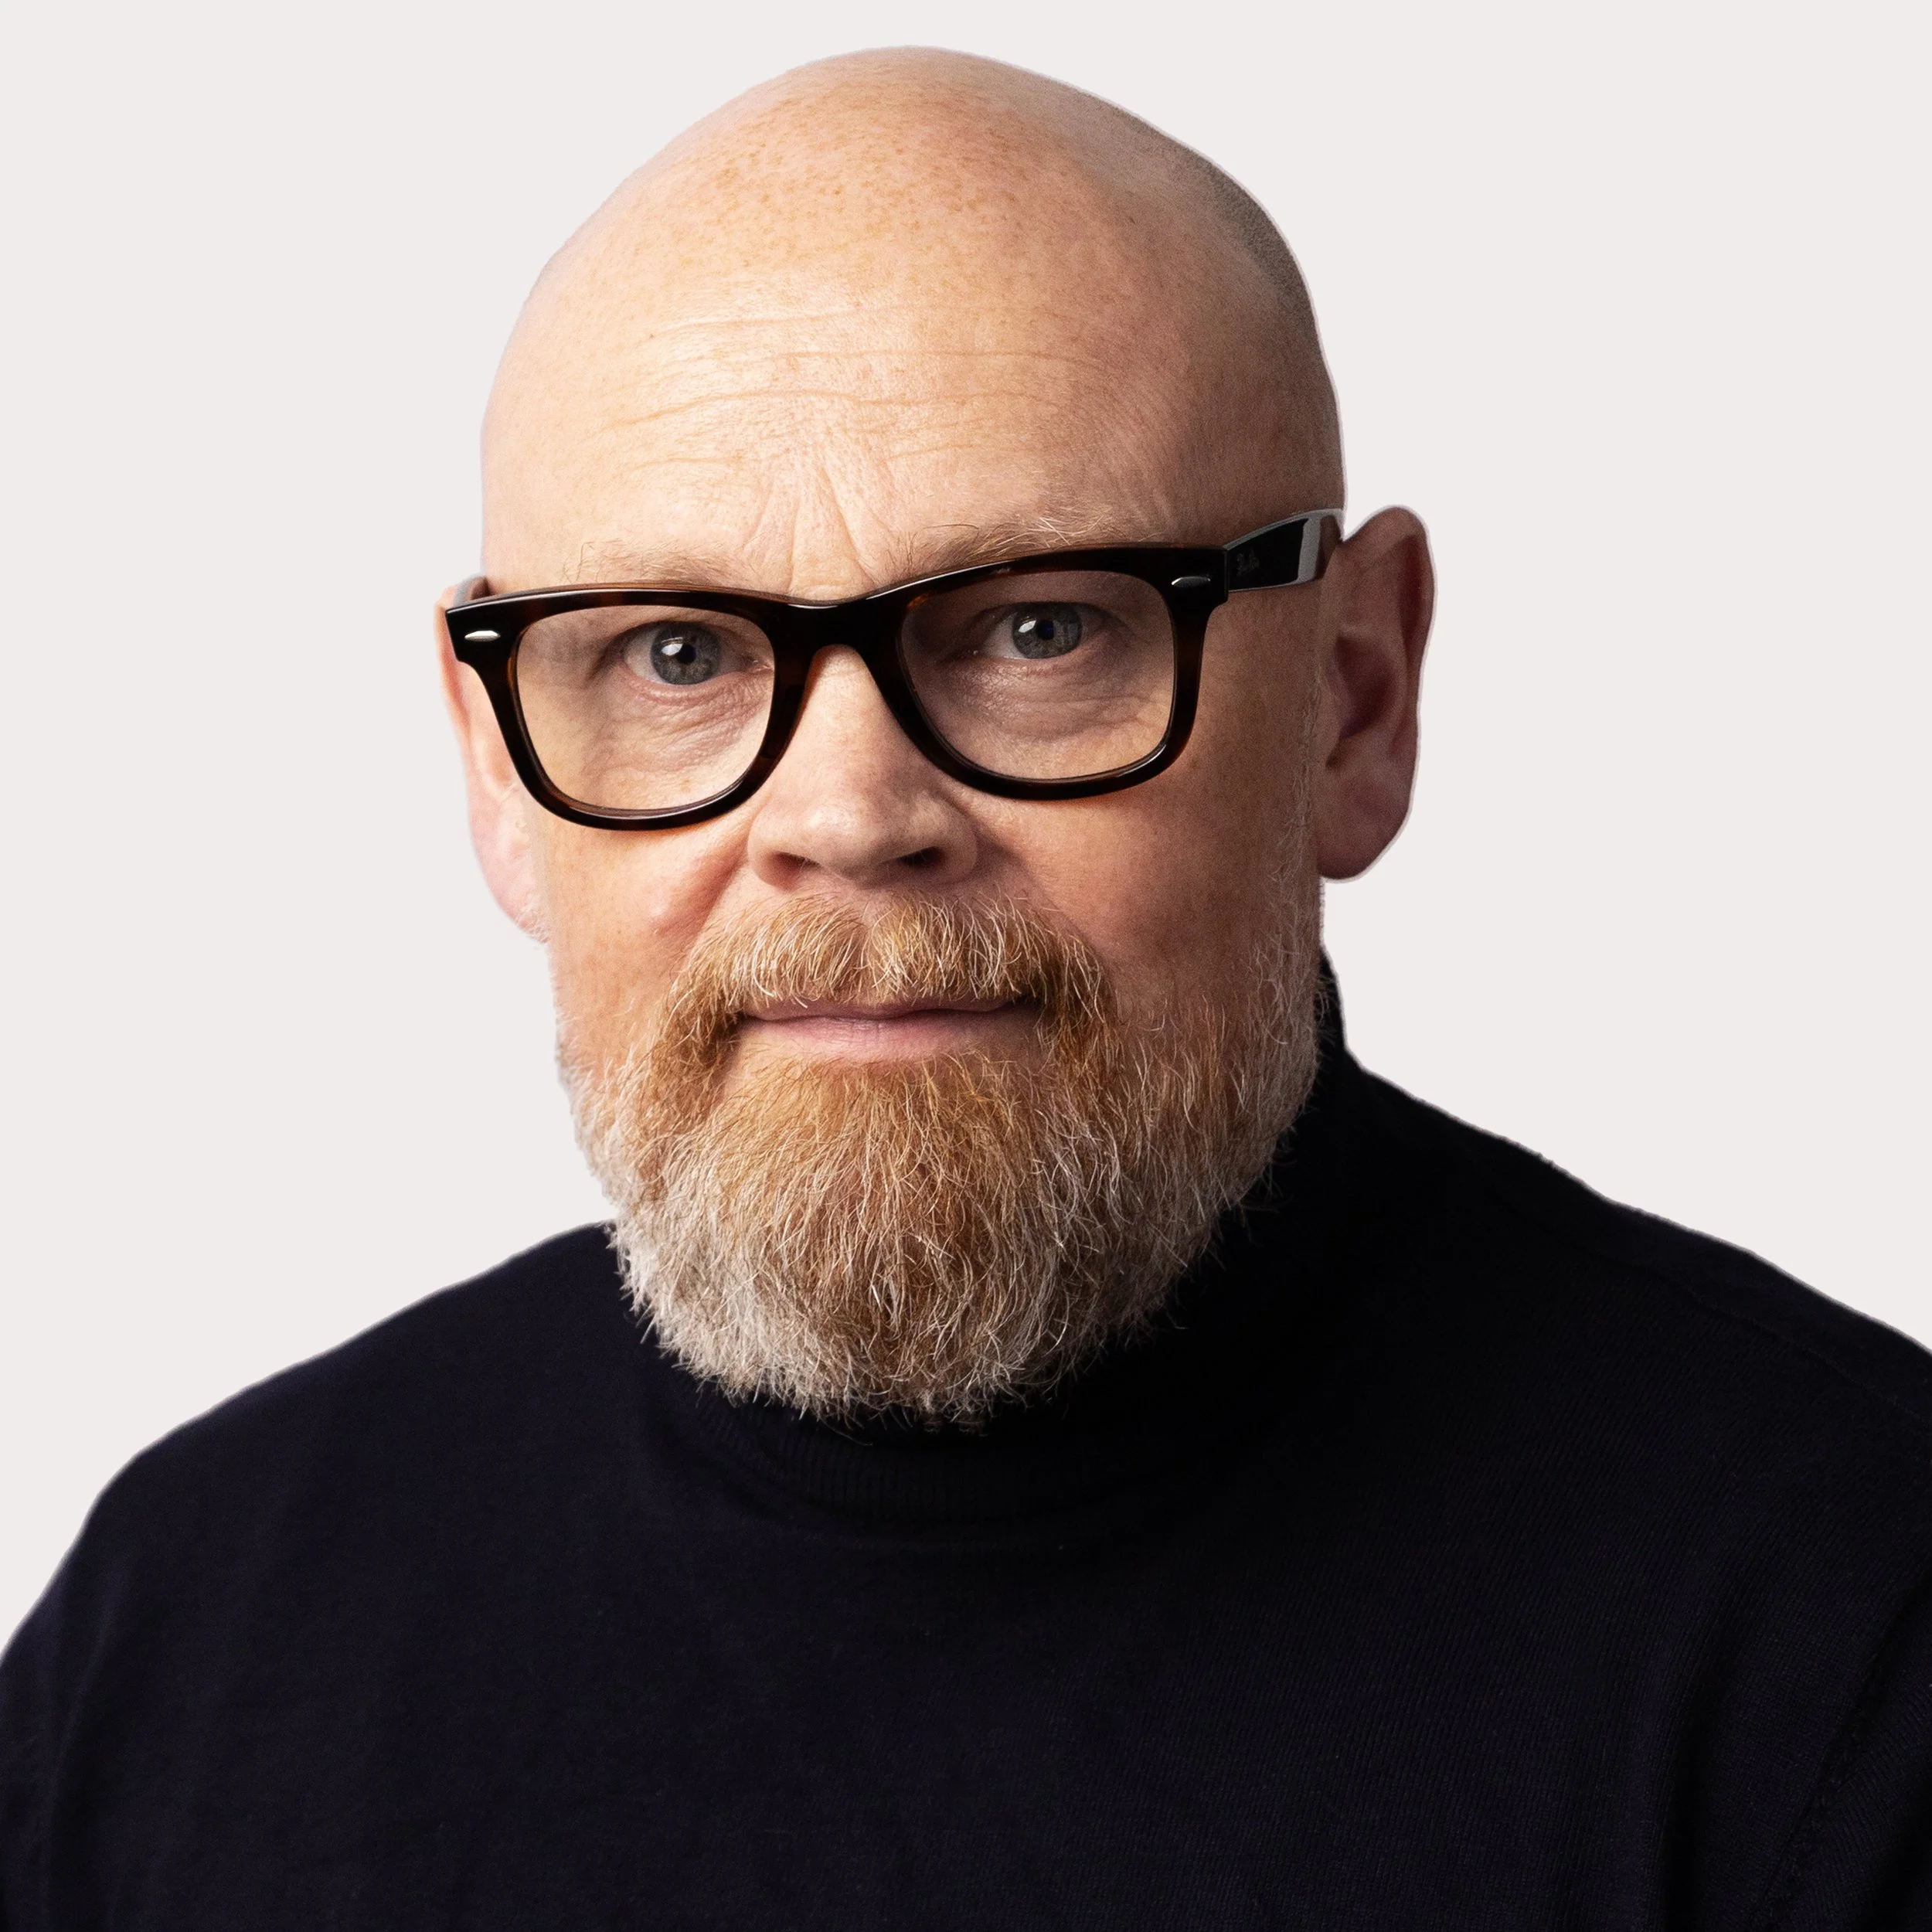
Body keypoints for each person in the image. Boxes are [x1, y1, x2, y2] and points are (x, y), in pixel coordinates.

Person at [2, 46, 1927, 1931]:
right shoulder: (188, 1624)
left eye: (1034, 626)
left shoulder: (1850, 1619)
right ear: (499, 765)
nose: (845, 814)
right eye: (675, 655)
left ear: (1353, 694)